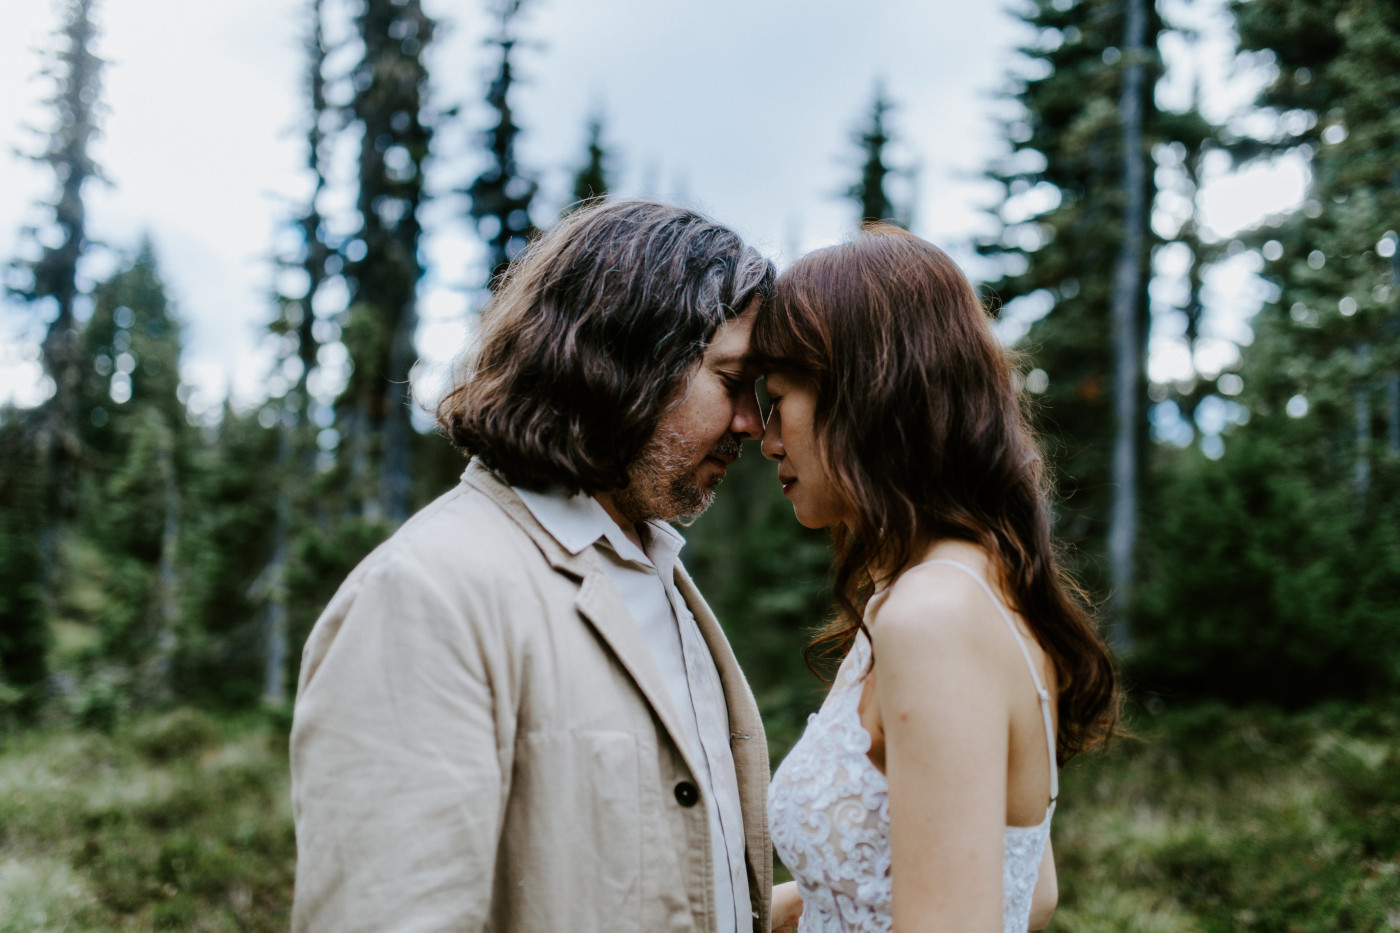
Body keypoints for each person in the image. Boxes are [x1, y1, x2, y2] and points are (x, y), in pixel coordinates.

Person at [289, 199, 777, 933]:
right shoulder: (427, 594)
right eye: (733, 381)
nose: (752, 422)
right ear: (627, 357)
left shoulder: (658, 572)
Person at [755, 225, 1120, 932]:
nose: (767, 438)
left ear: (862, 394)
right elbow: (1030, 888)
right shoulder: (971, 585)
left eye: (780, 400)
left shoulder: (934, 617)